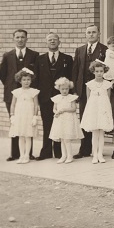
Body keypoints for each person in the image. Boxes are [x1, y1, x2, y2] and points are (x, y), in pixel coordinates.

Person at [0, 29, 39, 161]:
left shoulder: (34, 55)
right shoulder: (7, 55)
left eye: (23, 37)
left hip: (28, 96)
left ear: (27, 38)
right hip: (13, 95)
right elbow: (3, 75)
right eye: (17, 37)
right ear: (13, 39)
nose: (20, 39)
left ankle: (28, 153)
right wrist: (12, 86)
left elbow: (36, 74)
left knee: (28, 123)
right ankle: (15, 153)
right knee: (15, 123)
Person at [34, 32, 73, 160]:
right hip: (45, 98)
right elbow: (36, 80)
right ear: (46, 43)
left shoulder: (67, 59)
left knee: (60, 123)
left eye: (55, 39)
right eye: (50, 40)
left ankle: (59, 152)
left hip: (61, 98)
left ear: (59, 42)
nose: (52, 42)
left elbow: (70, 78)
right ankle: (45, 151)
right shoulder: (39, 60)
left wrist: (69, 97)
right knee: (47, 124)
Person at [71, 24, 107, 158]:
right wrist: (75, 89)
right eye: (88, 32)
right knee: (85, 119)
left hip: (98, 91)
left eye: (93, 32)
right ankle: (84, 149)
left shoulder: (105, 49)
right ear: (85, 35)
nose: (91, 35)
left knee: (97, 119)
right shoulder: (80, 50)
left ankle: (97, 149)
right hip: (83, 91)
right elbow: (75, 70)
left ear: (99, 34)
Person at [80, 60, 114, 164]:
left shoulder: (107, 84)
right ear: (93, 72)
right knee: (95, 133)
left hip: (103, 110)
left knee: (102, 133)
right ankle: (94, 154)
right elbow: (88, 100)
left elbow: (108, 100)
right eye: (97, 71)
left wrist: (106, 112)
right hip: (94, 110)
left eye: (101, 71)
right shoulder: (90, 84)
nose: (99, 73)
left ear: (104, 72)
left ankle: (100, 154)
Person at [8, 68, 40, 164]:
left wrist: (35, 116)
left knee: (28, 136)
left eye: (28, 80)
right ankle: (21, 155)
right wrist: (12, 116)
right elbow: (13, 104)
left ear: (31, 80)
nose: (26, 82)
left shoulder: (33, 92)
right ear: (20, 80)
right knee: (21, 136)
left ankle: (27, 155)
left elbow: (35, 105)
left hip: (29, 116)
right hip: (19, 116)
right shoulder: (16, 92)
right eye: (24, 80)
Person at [48, 77, 81, 164]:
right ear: (59, 88)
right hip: (60, 120)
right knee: (62, 138)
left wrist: (64, 109)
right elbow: (54, 109)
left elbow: (73, 109)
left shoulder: (71, 98)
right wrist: (56, 112)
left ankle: (69, 156)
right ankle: (63, 156)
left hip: (68, 119)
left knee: (67, 139)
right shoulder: (57, 98)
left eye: (66, 89)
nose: (65, 91)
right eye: (63, 89)